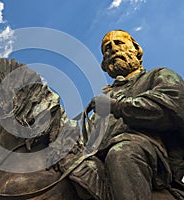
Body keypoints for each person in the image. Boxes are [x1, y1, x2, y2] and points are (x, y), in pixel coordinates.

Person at [60, 30, 184, 200]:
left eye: (119, 43)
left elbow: (172, 108)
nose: (113, 49)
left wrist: (117, 106)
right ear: (104, 63)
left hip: (149, 156)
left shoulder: (158, 75)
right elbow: (83, 139)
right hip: (98, 157)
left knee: (121, 153)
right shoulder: (102, 104)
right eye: (107, 48)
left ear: (136, 49)